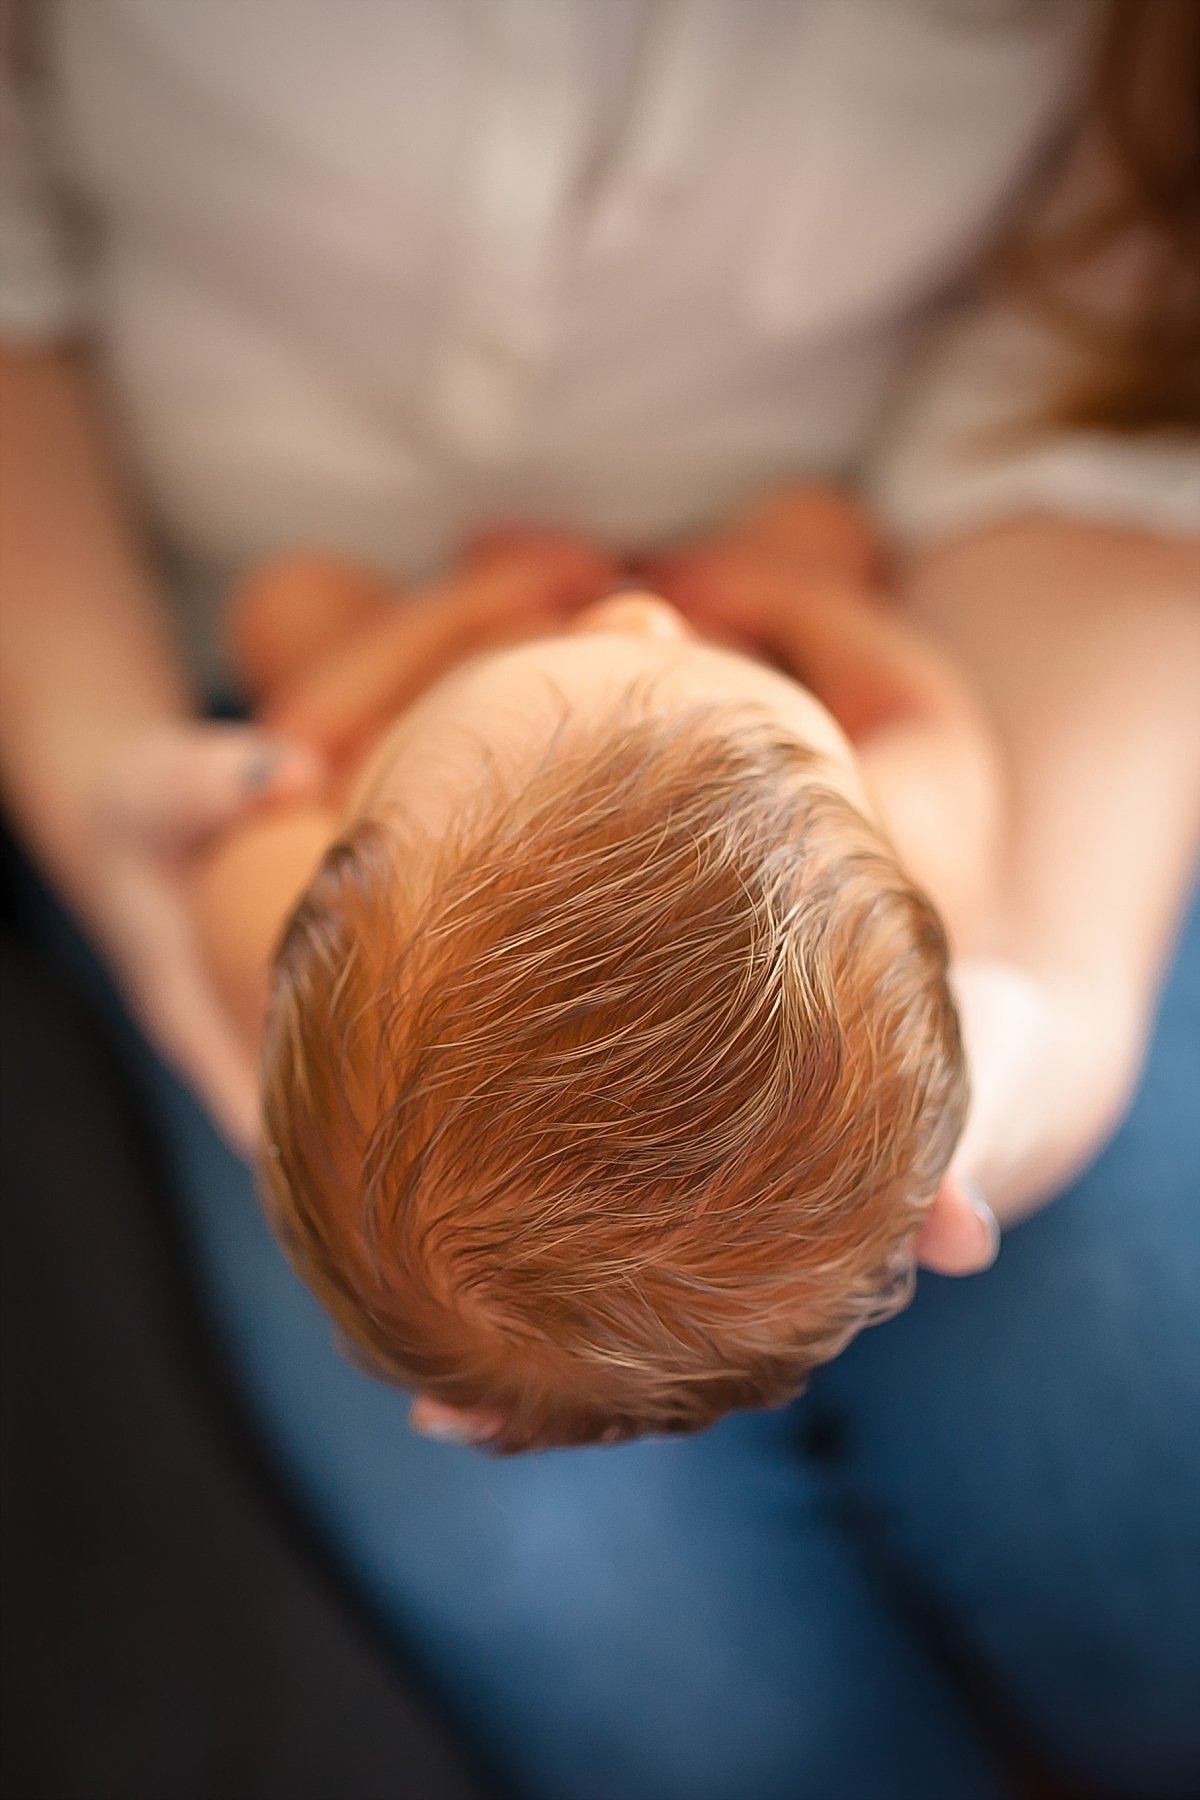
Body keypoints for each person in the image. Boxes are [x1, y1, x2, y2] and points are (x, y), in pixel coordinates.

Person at [1, 3, 1197, 1794]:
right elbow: (926, 723)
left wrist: (412, 658)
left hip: (966, 564)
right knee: (591, 1628)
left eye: (616, 644)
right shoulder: (919, 820)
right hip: (231, 594)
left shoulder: (306, 867)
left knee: (1130, 1458)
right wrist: (811, 628)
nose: (629, 611)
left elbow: (307, 699)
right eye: (666, 654)